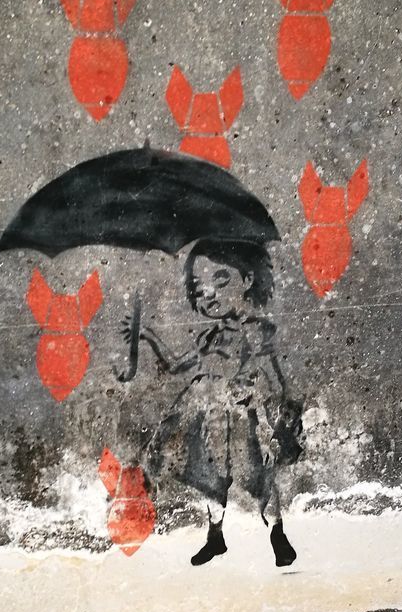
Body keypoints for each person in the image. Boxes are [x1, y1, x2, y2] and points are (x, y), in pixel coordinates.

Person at [129, 237, 302, 567]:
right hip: (212, 417)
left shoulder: (256, 330)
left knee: (258, 476)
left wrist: (275, 411)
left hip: (245, 415)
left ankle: (278, 534)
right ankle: (215, 536)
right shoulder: (210, 335)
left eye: (221, 280)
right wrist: (148, 338)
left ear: (247, 281)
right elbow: (179, 364)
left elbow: (271, 373)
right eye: (200, 286)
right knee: (212, 477)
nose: (209, 293)